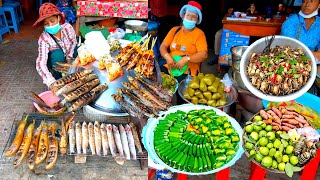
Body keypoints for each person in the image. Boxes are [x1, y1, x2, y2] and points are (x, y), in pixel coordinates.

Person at [159, 1, 208, 82]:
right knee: (157, 83)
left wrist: (186, 59)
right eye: (188, 15)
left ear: (197, 20)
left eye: (194, 17)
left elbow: (204, 54)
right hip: (170, 66)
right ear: (183, 16)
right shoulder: (174, 30)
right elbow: (163, 46)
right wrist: (167, 56)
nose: (190, 18)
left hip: (189, 69)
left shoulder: (199, 34)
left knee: (182, 90)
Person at [33, 3, 78, 88]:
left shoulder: (68, 28)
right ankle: (57, 78)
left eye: (52, 21)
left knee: (77, 50)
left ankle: (74, 73)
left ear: (59, 18)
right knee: (57, 54)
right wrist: (51, 82)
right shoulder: (43, 39)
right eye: (46, 23)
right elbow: (40, 63)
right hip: (55, 62)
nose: (50, 25)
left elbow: (73, 43)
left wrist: (69, 56)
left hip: (69, 56)